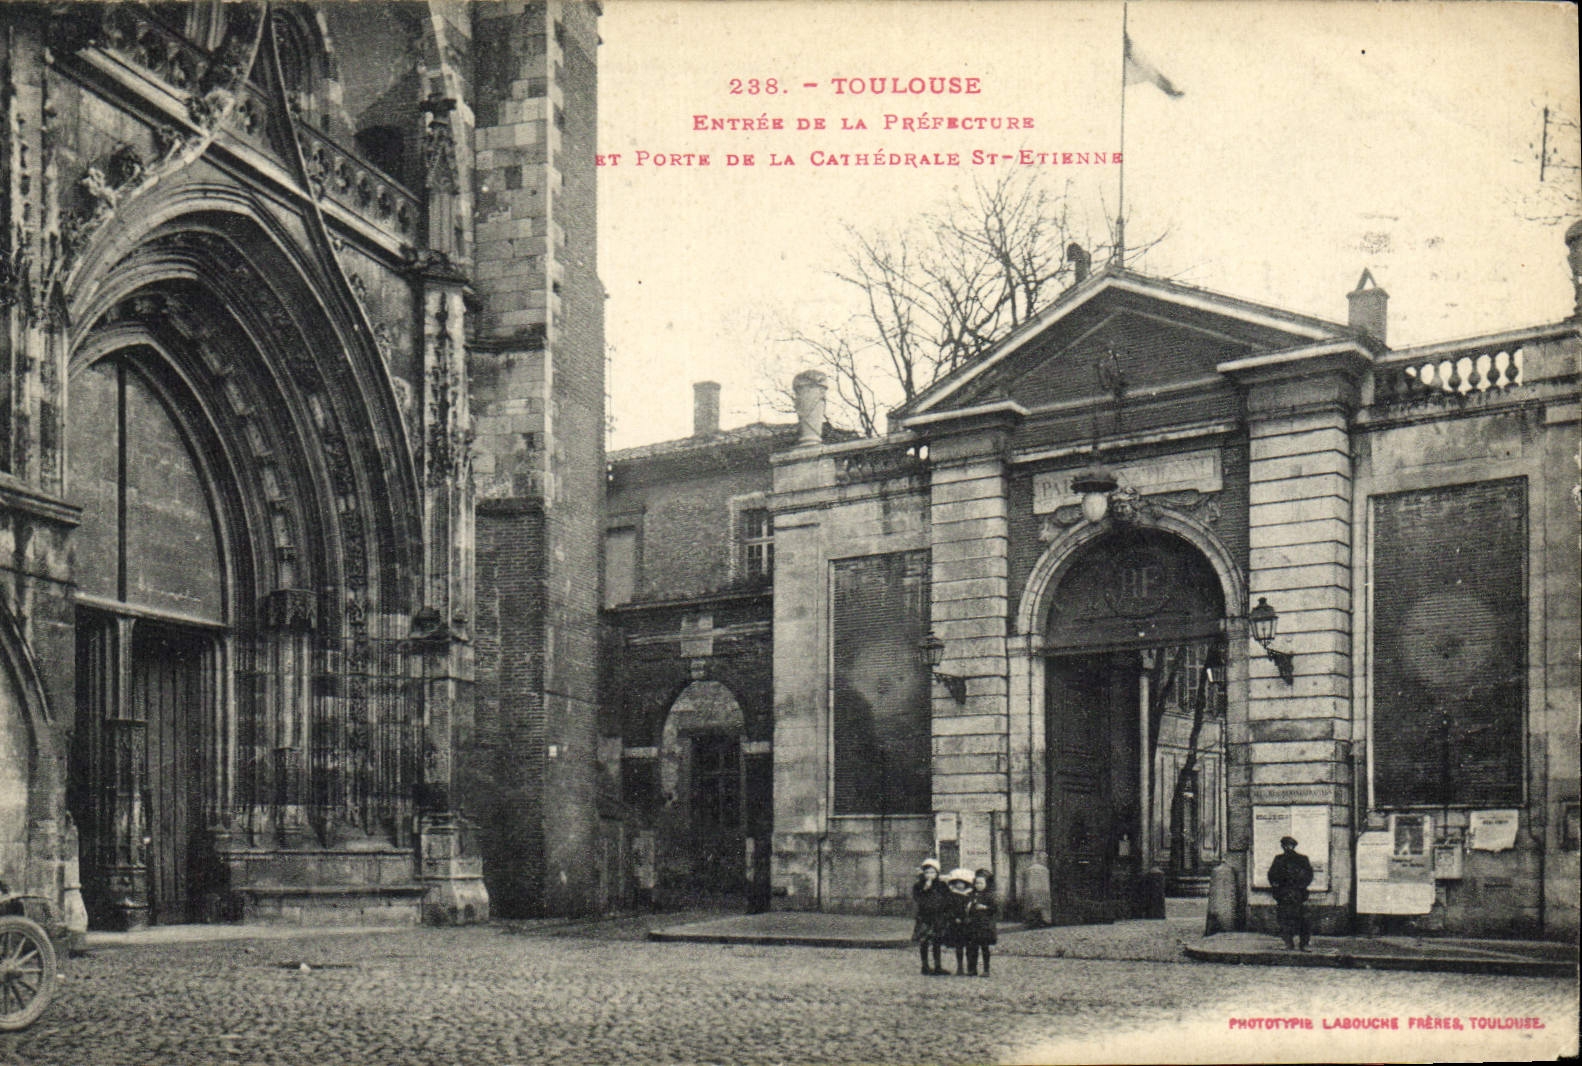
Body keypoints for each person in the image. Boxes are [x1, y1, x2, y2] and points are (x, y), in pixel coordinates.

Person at [1267, 835, 1314, 951]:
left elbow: (1309, 875)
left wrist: (1301, 887)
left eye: (1290, 845)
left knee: (1302, 919)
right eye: (1285, 845)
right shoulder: (1278, 859)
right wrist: (1276, 886)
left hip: (1298, 894)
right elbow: (1271, 874)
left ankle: (1304, 944)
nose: (1288, 848)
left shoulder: (1302, 859)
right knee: (1284, 919)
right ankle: (1288, 943)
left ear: (1294, 846)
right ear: (1282, 847)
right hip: (1283, 894)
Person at [910, 858, 948, 975]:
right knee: (924, 941)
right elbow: (917, 898)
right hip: (924, 916)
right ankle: (925, 966)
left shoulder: (941, 885)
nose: (929, 875)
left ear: (937, 873)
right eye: (927, 872)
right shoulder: (918, 885)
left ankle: (938, 966)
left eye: (932, 872)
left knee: (937, 941)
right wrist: (925, 889)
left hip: (937, 916)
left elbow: (946, 899)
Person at [963, 868, 998, 977]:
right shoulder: (972, 895)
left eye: (981, 883)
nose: (978, 885)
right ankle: (972, 969)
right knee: (972, 948)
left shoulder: (990, 895)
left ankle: (986, 969)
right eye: (977, 883)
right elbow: (968, 908)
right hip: (973, 925)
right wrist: (969, 905)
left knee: (984, 948)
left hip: (984, 925)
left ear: (986, 883)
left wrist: (985, 907)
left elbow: (995, 909)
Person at [941, 868, 975, 975]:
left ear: (966, 884)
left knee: (970, 946)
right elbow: (947, 909)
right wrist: (954, 918)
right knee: (959, 946)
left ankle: (971, 967)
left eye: (962, 883)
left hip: (968, 924)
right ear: (954, 884)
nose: (960, 885)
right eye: (957, 883)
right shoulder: (951, 896)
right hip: (957, 924)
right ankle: (960, 967)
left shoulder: (970, 895)